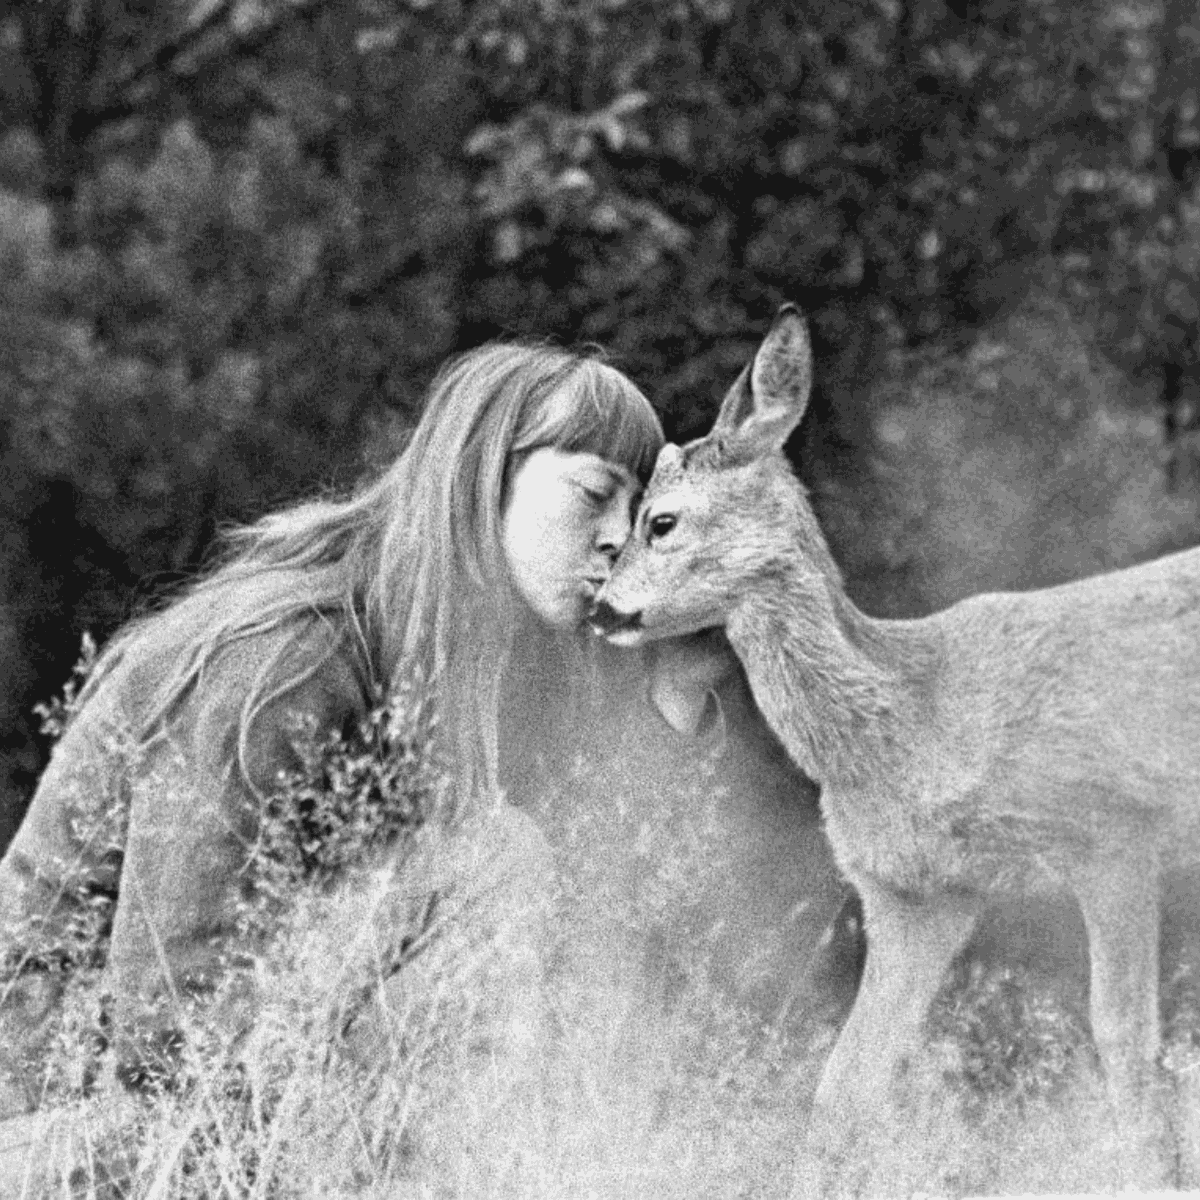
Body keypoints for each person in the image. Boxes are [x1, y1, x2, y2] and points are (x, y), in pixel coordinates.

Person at [0, 340, 858, 1118]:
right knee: (495, 860)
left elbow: (620, 912)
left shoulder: (476, 669)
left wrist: (680, 695)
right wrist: (349, 1134)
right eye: (596, 493)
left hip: (208, 1097)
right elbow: (162, 1019)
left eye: (636, 513)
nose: (614, 539)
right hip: (53, 1112)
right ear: (482, 477)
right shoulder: (289, 659)